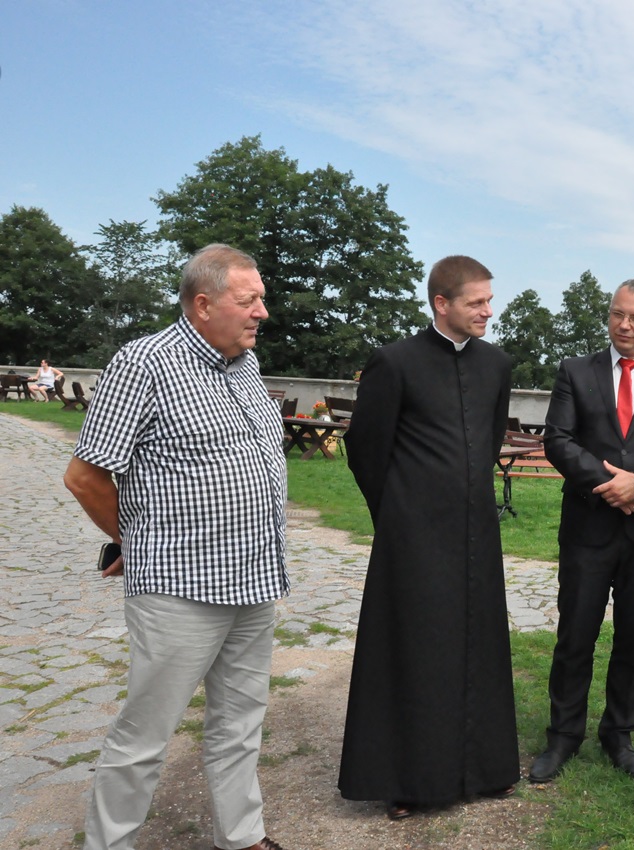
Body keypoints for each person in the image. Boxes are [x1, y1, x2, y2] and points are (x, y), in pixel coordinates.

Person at [63, 244, 290, 850]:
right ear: (203, 303)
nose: (262, 312)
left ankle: (241, 837)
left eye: (261, 298)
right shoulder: (145, 364)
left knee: (240, 724)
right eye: (250, 300)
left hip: (255, 581)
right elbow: (85, 476)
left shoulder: (244, 364)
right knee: (145, 734)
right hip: (179, 589)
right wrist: (131, 541)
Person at [339, 255, 520, 819]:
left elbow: (490, 442)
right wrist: (398, 513)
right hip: (412, 537)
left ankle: (485, 769)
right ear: (441, 304)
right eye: (475, 302)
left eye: (490, 300)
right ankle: (408, 780)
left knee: (478, 645)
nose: (487, 311)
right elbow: (366, 448)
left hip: (476, 534)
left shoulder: (497, 364)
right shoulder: (394, 362)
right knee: (415, 652)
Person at [528, 279, 634, 783]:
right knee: (574, 634)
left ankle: (618, 733)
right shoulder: (575, 372)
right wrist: (613, 484)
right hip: (589, 525)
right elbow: (557, 439)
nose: (624, 325)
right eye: (616, 314)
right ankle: (563, 735)